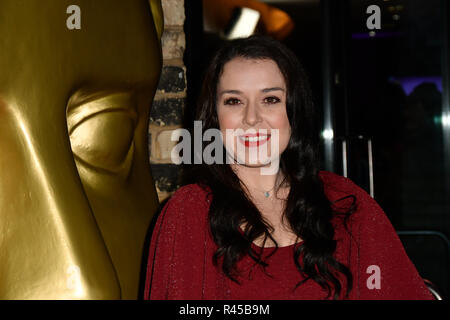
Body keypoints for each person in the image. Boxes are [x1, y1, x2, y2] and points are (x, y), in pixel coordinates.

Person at [143, 35, 434, 300]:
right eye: (234, 101)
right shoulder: (189, 212)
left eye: (270, 99)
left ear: (293, 110)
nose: (252, 118)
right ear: (214, 117)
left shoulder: (347, 203)